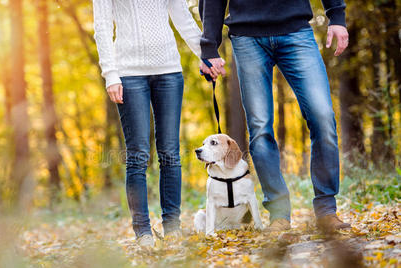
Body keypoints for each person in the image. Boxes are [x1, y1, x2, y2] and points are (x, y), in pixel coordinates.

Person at [199, 0, 351, 232]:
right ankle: (279, 215)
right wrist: (209, 46)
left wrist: (337, 16)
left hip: (296, 30)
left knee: (323, 116)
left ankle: (326, 211)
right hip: (246, 36)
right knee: (260, 130)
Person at [93, 0, 202, 246]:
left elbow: (182, 16)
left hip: (169, 71)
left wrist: (206, 55)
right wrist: (110, 73)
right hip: (128, 74)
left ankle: (172, 228)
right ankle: (143, 232)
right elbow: (101, 26)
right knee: (138, 156)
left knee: (170, 154)